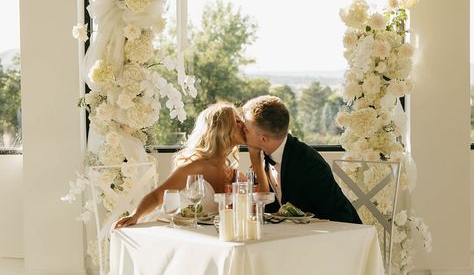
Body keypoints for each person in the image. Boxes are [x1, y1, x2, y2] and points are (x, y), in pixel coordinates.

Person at [114, 102, 245, 228]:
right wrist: (135, 215)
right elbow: (157, 196)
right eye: (238, 121)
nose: (244, 125)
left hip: (212, 236)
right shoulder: (196, 166)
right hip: (181, 231)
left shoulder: (234, 174)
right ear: (221, 128)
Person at [241, 95, 361, 224]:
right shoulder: (261, 156)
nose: (242, 132)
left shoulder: (308, 164)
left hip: (338, 233)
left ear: (263, 139)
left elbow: (339, 215)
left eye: (246, 130)